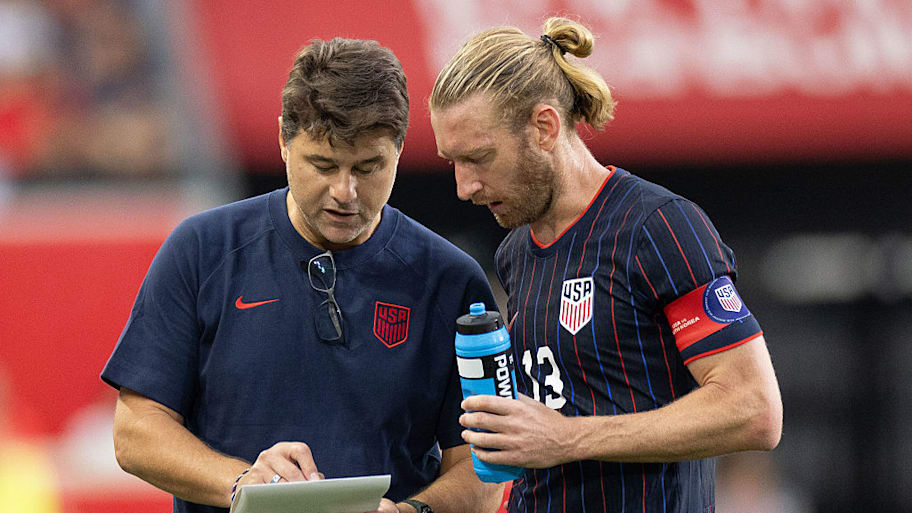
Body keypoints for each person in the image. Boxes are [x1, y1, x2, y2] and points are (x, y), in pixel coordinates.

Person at [102, 38, 502, 513]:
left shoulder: (452, 280)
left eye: (369, 167)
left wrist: (413, 512)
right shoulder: (201, 251)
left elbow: (484, 464)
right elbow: (135, 431)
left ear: (398, 151)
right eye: (323, 165)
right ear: (283, 141)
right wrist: (243, 483)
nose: (345, 192)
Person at [429, 17, 783, 512]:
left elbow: (753, 409)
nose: (464, 187)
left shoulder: (658, 227)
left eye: (479, 158)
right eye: (453, 163)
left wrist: (568, 438)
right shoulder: (514, 253)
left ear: (545, 127)